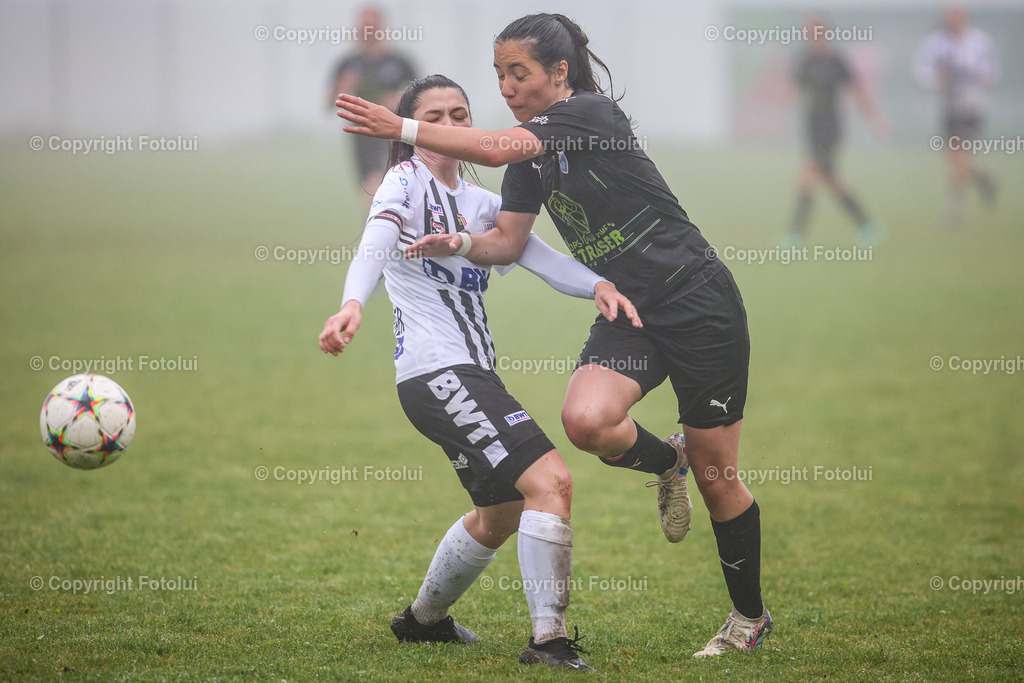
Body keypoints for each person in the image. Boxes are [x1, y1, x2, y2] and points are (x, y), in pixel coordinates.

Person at [335, 12, 771, 659]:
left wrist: (399, 126)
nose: (507, 87)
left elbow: (494, 148)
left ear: (559, 73)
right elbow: (509, 242)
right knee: (586, 420)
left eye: (519, 73)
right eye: (499, 75)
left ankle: (748, 618)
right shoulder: (528, 157)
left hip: (698, 302)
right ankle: (666, 460)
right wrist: (458, 241)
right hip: (632, 307)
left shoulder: (591, 115)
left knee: (719, 476)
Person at [319, 74, 640, 672]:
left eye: (460, 113)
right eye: (434, 115)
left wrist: (598, 284)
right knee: (552, 483)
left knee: (503, 512)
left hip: (463, 375)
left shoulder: (482, 202)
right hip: (438, 372)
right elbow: (375, 239)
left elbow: (540, 259)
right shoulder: (404, 181)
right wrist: (352, 302)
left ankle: (421, 622)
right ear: (413, 131)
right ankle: (549, 642)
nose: (450, 123)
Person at [782, 14, 887, 248]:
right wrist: (783, 100)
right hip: (811, 127)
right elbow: (792, 89)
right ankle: (867, 225)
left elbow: (857, 90)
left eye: (817, 31)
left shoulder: (836, 61)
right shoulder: (804, 60)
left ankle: (795, 236)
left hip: (831, 128)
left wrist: (874, 119)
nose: (813, 35)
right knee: (832, 181)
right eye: (810, 31)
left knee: (808, 175)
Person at [913, 5, 999, 228]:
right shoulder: (936, 42)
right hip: (948, 107)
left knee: (957, 157)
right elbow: (921, 70)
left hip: (971, 106)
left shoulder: (980, 41)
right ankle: (983, 181)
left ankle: (954, 211)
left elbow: (991, 73)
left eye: (956, 18)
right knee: (957, 158)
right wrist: (936, 78)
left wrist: (975, 77)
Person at [328, 5, 417, 205]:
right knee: (371, 192)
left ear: (382, 26)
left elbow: (425, 97)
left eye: (371, 23)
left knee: (391, 191)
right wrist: (340, 88)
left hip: (397, 136)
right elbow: (328, 103)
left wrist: (399, 99)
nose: (366, 28)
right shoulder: (348, 63)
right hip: (362, 137)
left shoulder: (401, 62)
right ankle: (378, 232)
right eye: (363, 24)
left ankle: (382, 232)